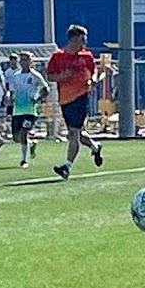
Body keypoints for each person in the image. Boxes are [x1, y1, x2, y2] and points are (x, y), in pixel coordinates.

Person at [47, 24, 103, 180]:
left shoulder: (86, 56)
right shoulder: (58, 56)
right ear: (74, 38)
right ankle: (95, 146)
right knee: (77, 133)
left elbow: (93, 71)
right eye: (82, 39)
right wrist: (63, 76)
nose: (84, 42)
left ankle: (67, 166)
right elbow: (50, 76)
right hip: (65, 99)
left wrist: (93, 79)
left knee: (73, 133)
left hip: (80, 97)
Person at [9, 51, 50, 168]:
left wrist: (37, 99)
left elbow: (45, 89)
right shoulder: (15, 76)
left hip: (30, 111)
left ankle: (24, 160)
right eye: (21, 60)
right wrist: (9, 98)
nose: (23, 62)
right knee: (16, 138)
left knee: (23, 133)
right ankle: (31, 144)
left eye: (26, 60)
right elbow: (12, 91)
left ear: (31, 62)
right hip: (17, 110)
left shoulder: (35, 76)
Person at [2, 53, 20, 138]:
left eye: (15, 60)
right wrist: (6, 93)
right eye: (12, 61)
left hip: (20, 93)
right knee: (10, 113)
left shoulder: (20, 70)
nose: (13, 62)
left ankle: (20, 130)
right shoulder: (8, 72)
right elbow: (6, 84)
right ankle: (11, 131)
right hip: (11, 93)